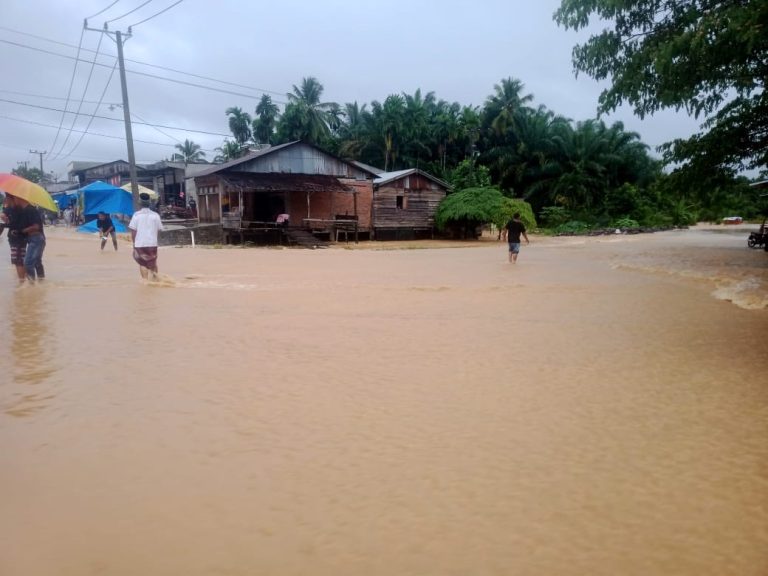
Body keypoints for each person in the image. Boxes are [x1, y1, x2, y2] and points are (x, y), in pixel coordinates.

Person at [129, 192, 164, 280]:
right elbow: (158, 230)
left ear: (140, 203)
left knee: (143, 263)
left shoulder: (136, 215)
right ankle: (155, 280)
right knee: (153, 262)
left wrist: (134, 243)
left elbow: (133, 231)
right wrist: (155, 240)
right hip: (152, 243)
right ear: (149, 203)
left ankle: (145, 282)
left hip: (140, 243)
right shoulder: (155, 215)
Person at [1, 195, 28, 284]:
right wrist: (4, 218)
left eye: (7, 198)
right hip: (13, 239)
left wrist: (8, 222)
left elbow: (19, 224)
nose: (5, 200)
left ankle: (22, 282)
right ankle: (25, 281)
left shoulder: (20, 209)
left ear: (11, 198)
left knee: (19, 260)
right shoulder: (9, 208)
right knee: (18, 260)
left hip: (19, 238)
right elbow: (5, 218)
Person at [19, 198, 46, 282]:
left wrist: (23, 230)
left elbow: (36, 227)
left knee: (28, 263)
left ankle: (32, 285)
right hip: (36, 239)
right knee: (37, 263)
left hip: (36, 239)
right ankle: (41, 283)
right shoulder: (26, 210)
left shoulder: (30, 210)